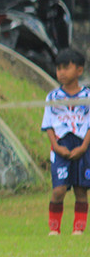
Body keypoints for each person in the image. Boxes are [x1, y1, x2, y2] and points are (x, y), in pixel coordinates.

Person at [42, 48, 90, 236]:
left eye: (66, 67)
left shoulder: (87, 96)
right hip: (61, 146)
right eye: (58, 68)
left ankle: (78, 228)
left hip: (82, 146)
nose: (61, 72)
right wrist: (56, 146)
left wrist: (84, 146)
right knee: (59, 190)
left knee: (81, 189)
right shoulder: (52, 97)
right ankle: (54, 228)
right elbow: (48, 125)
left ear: (79, 70)